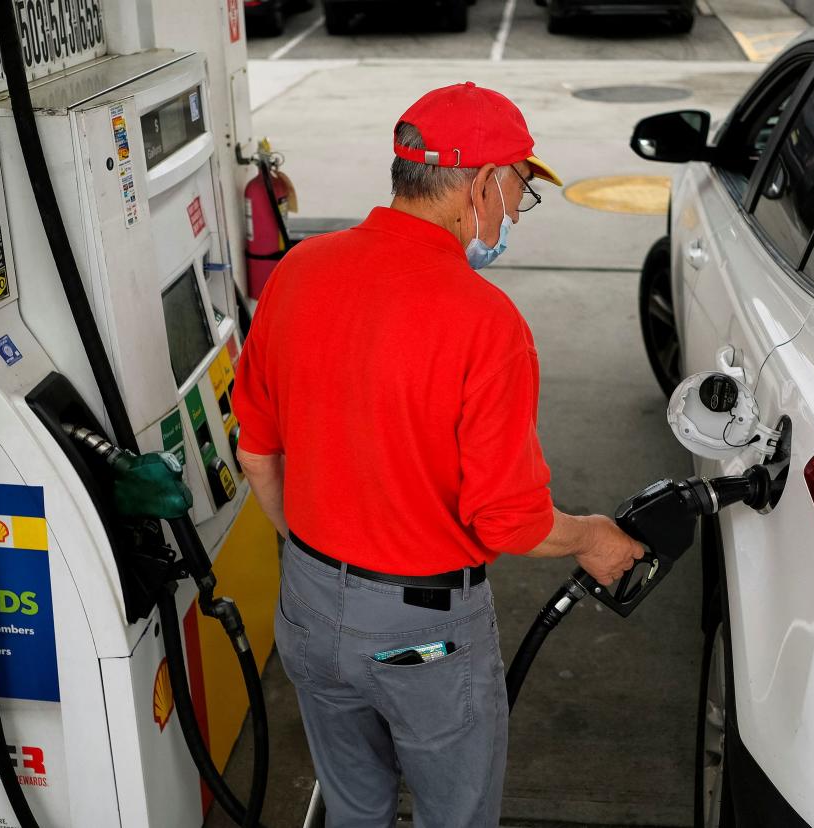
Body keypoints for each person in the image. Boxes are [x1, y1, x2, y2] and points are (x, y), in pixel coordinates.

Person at [232, 82, 644, 827]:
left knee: (354, 807)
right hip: (418, 641)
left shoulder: (298, 272)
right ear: (481, 185)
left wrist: (318, 557)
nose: (516, 213)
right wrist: (591, 537)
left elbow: (257, 454)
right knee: (454, 814)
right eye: (519, 190)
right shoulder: (485, 322)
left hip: (306, 608)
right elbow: (509, 522)